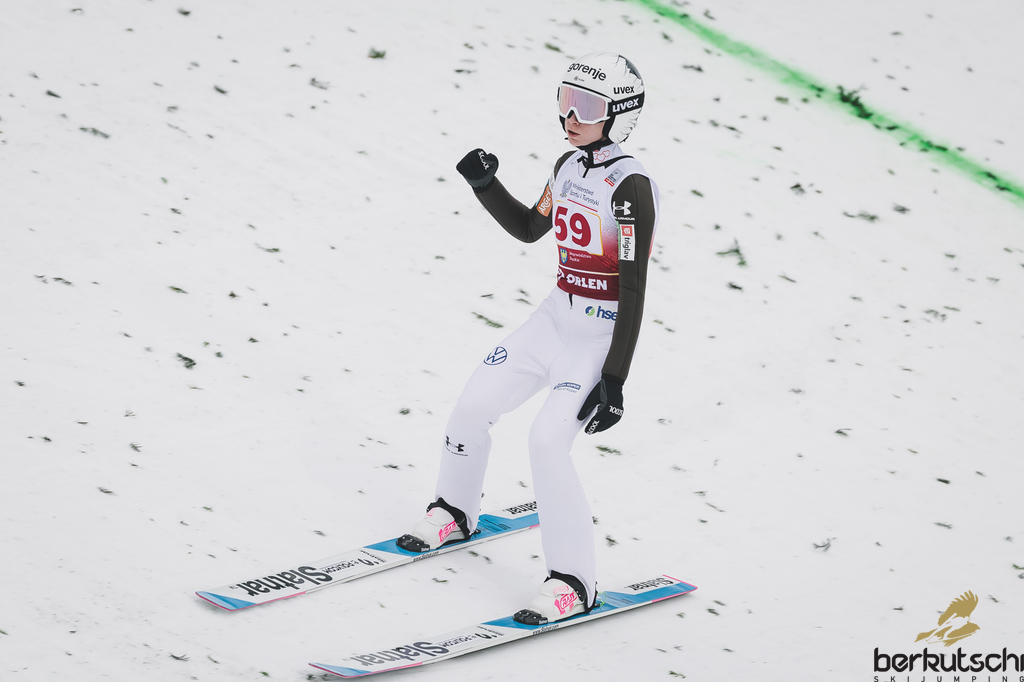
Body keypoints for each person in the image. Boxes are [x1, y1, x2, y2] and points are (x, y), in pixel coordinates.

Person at [397, 52, 660, 625]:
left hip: (597, 338)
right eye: (565, 101)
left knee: (546, 444)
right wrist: (485, 185)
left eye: (586, 106)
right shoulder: (567, 166)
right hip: (553, 319)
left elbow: (634, 289)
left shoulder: (630, 187)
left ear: (621, 114)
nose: (571, 116)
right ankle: (453, 511)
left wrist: (614, 379)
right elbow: (528, 228)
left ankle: (573, 582)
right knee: (471, 407)